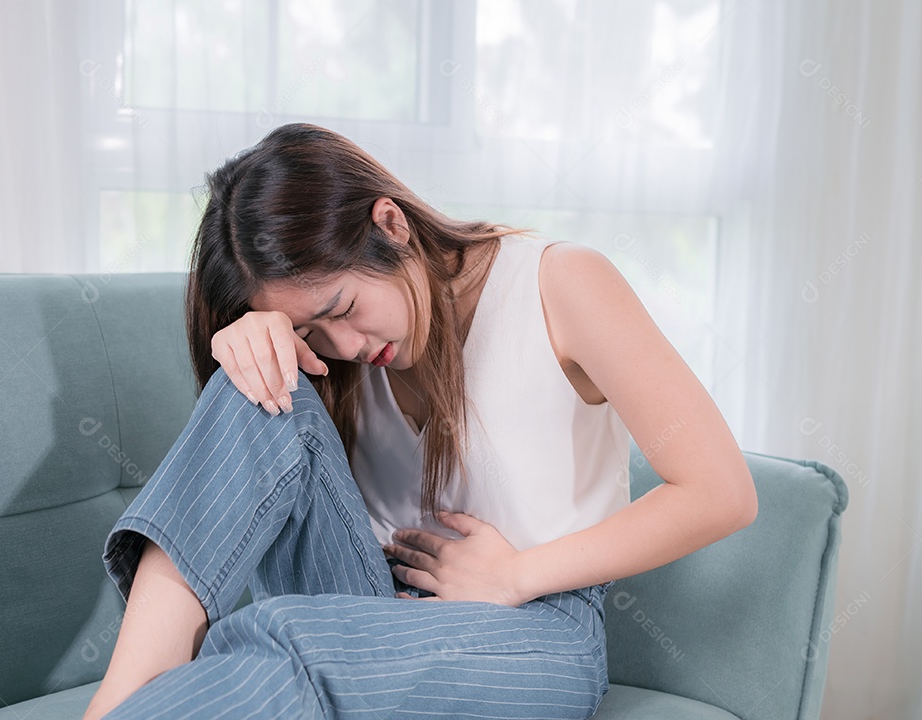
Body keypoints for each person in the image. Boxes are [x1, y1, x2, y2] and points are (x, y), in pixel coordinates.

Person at [82, 123, 757, 720]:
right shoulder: (330, 358)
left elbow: (720, 491)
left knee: (291, 640)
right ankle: (119, 701)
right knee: (251, 388)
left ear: (390, 224)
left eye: (342, 308)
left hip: (533, 628)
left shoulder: (563, 284)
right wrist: (252, 348)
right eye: (312, 332)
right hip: (368, 602)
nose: (344, 347)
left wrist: (516, 575)